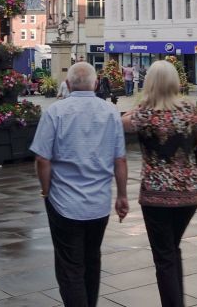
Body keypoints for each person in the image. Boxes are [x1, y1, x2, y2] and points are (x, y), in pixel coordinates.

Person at [30, 62, 128, 307]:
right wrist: (122, 196)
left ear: (68, 84)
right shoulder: (110, 113)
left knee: (70, 267)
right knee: (92, 260)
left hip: (64, 203)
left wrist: (45, 190)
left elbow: (42, 158)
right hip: (99, 204)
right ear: (96, 84)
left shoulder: (55, 112)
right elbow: (120, 159)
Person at [122, 60, 197, 307]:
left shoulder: (144, 114)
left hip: (156, 196)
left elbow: (122, 124)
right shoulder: (189, 110)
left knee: (164, 256)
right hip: (189, 193)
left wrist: (139, 105)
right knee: (172, 249)